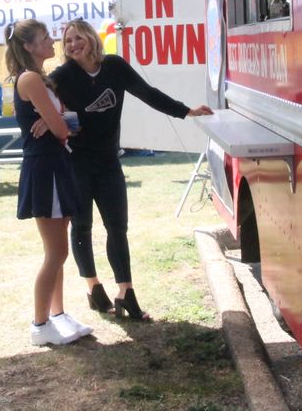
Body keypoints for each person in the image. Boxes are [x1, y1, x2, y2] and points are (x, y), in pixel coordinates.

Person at [51, 18, 214, 321]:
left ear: (91, 38)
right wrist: (45, 120)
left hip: (109, 160)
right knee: (82, 226)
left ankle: (126, 292)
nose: (73, 45)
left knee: (117, 227)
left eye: (78, 38)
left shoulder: (114, 66)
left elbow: (148, 93)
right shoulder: (63, 75)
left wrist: (186, 110)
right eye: (68, 40)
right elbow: (38, 97)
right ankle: (93, 286)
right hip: (77, 162)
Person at [5, 19, 93, 346]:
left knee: (59, 249)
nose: (52, 41)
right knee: (55, 251)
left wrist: (53, 120)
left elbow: (70, 122)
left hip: (56, 164)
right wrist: (54, 122)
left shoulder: (41, 80)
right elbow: (62, 128)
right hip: (45, 169)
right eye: (45, 38)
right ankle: (40, 324)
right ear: (28, 46)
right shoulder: (29, 79)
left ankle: (57, 315)